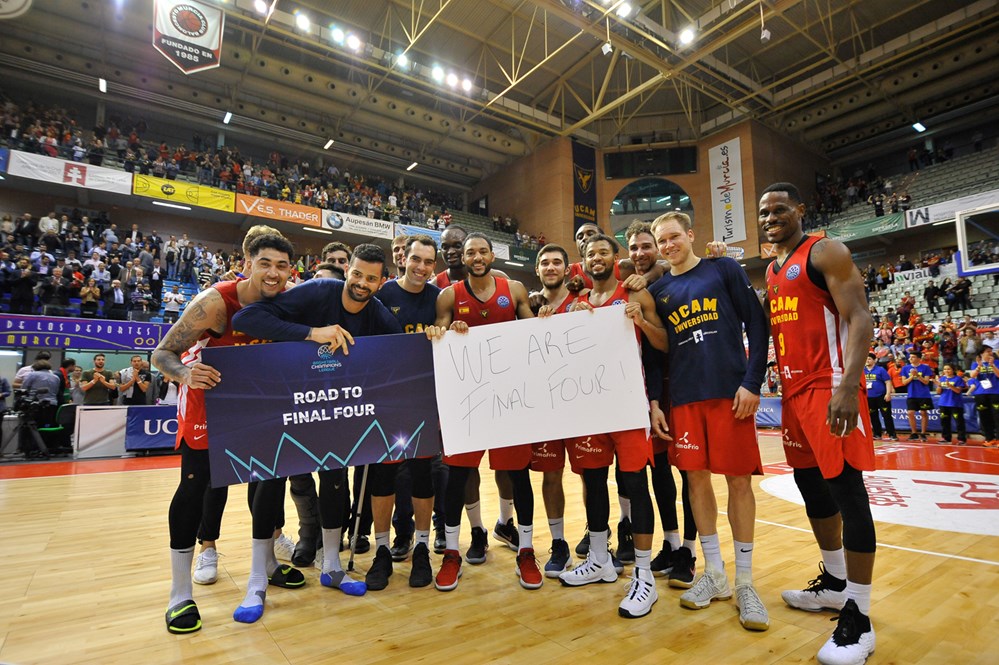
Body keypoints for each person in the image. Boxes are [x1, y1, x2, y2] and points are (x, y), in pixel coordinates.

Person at [152, 232, 306, 634]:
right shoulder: (215, 302)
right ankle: (179, 593)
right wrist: (186, 373)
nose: (273, 273)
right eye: (265, 263)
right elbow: (162, 353)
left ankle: (266, 566)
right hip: (209, 402)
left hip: (261, 404)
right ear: (247, 263)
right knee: (195, 488)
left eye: (282, 266)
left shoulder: (291, 300)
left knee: (270, 484)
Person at [233, 243, 405, 597]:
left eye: (371, 279)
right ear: (348, 271)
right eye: (356, 274)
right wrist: (312, 333)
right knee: (271, 480)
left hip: (331, 406)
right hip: (288, 399)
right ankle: (257, 576)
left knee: (335, 478)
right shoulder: (318, 291)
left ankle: (332, 566)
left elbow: (403, 354)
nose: (361, 283)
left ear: (380, 283)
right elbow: (245, 319)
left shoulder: (378, 314)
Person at [760, 182, 878, 665]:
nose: (771, 217)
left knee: (848, 492)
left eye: (780, 209)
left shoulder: (825, 251)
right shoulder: (772, 269)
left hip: (829, 388)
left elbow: (861, 317)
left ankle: (860, 617)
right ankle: (834, 581)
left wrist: (848, 387)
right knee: (812, 487)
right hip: (793, 393)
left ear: (801, 210)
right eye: (764, 212)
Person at [647, 213, 769, 631]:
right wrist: (656, 402)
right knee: (696, 482)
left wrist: (752, 382)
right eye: (662, 241)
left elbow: (757, 323)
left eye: (674, 237)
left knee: (739, 482)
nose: (668, 245)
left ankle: (746, 581)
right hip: (684, 399)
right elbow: (656, 353)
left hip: (730, 394)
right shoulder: (658, 290)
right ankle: (715, 573)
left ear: (690, 235)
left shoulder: (724, 268)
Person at [556, 232, 668, 620]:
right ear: (584, 260)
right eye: (591, 253)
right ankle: (600, 559)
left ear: (615, 257)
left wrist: (643, 322)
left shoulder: (635, 293)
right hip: (591, 409)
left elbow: (662, 346)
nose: (597, 258)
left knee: (635, 484)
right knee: (593, 481)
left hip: (628, 407)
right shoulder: (577, 302)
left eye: (604, 252)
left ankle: (644, 576)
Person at [425, 232, 542, 593]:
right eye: (470, 253)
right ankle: (451, 553)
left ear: (492, 256)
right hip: (467, 401)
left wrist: (546, 316)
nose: (476, 257)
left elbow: (532, 332)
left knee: (518, 475)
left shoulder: (515, 289)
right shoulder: (449, 295)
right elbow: (440, 336)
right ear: (463, 258)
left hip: (509, 398)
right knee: (457, 477)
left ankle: (526, 550)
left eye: (482, 252)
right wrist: (448, 331)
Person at [363, 234, 441, 590]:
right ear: (403, 259)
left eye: (428, 261)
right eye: (416, 259)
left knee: (423, 475)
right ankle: (381, 551)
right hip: (386, 399)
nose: (421, 267)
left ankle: (422, 548)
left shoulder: (439, 298)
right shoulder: (382, 295)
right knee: (383, 477)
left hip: (424, 399)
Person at [625, 221, 699, 586]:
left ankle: (689, 549)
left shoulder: (672, 277)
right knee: (659, 472)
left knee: (690, 471)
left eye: (646, 246)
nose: (640, 253)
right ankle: (670, 543)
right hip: (650, 389)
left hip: (683, 385)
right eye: (634, 248)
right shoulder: (631, 285)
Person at [901, 350, 935, 441]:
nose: (910, 359)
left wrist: (918, 376)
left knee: (923, 413)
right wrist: (912, 376)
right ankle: (914, 433)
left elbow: (926, 382)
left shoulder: (925, 367)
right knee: (910, 413)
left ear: (919, 358)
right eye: (910, 357)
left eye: (913, 357)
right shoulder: (905, 368)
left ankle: (923, 433)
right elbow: (904, 382)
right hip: (911, 394)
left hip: (923, 394)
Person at [969, 347, 999, 446]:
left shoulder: (997, 362)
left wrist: (992, 365)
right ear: (982, 354)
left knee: (997, 416)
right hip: (980, 393)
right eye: (988, 351)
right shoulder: (975, 364)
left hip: (995, 392)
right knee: (984, 417)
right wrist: (979, 366)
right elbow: (972, 375)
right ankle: (989, 438)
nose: (990, 353)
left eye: (991, 351)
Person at [863, 354, 897, 441]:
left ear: (875, 360)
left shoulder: (880, 370)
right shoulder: (863, 371)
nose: (867, 361)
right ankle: (877, 434)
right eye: (866, 359)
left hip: (881, 396)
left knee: (886, 415)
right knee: (873, 416)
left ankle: (892, 434)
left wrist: (888, 393)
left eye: (869, 359)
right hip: (869, 397)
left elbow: (888, 382)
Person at [936, 364, 967, 445]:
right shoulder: (942, 378)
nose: (946, 371)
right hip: (943, 403)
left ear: (953, 370)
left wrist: (950, 386)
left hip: (955, 403)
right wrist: (939, 386)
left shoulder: (958, 379)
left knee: (959, 422)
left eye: (948, 369)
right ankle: (946, 438)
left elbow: (958, 391)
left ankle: (961, 439)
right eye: (945, 369)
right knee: (944, 422)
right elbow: (938, 392)